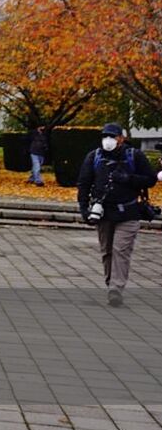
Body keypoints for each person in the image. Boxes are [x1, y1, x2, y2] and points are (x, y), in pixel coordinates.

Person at [77, 123, 157, 306]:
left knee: (120, 250)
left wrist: (129, 179)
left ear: (121, 138)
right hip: (104, 212)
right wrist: (84, 209)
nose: (109, 140)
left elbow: (150, 179)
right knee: (107, 251)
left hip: (128, 212)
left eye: (113, 136)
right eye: (105, 136)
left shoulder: (134, 156)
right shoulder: (94, 157)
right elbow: (83, 183)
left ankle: (116, 288)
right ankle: (110, 283)